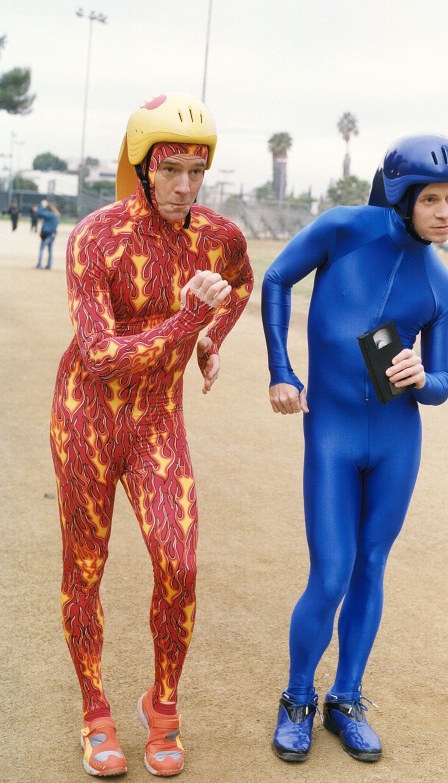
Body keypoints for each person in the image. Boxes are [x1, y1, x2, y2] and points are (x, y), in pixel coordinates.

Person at [50, 92, 253, 778]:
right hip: (85, 416)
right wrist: (188, 321)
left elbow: (240, 283)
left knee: (180, 566)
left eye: (197, 171)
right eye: (170, 170)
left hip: (157, 421)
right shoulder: (95, 237)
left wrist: (212, 339)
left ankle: (161, 707)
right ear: (142, 166)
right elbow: (101, 354)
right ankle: (95, 711)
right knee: (85, 566)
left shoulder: (218, 236)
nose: (185, 187)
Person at [261, 134, 448, 764]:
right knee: (330, 576)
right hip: (332, 435)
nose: (445, 212)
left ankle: (345, 699)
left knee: (370, 566)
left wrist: (421, 377)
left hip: (397, 442)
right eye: (431, 199)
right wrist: (282, 370)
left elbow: (442, 383)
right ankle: (298, 698)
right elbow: (277, 278)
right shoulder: (344, 229)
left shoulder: (440, 286)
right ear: (402, 197)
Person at [35, 200, 61, 269]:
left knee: (41, 249)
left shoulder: (50, 214)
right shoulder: (56, 215)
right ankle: (49, 264)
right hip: (53, 234)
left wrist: (43, 206)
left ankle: (39, 264)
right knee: (50, 250)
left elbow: (40, 213)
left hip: (47, 234)